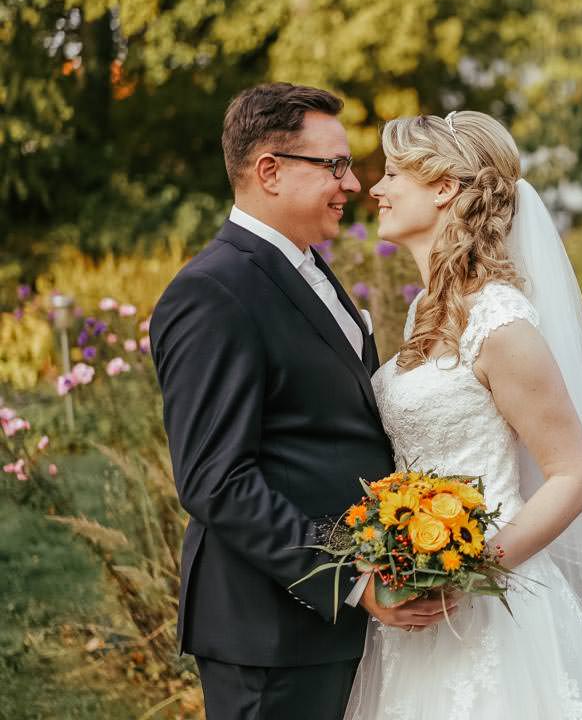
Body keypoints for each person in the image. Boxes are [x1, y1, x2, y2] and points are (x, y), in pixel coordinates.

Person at [150, 83, 458, 719]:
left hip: (328, 630)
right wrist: (352, 577)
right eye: (335, 165)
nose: (352, 184)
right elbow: (216, 480)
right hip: (271, 633)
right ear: (270, 170)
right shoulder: (214, 292)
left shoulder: (305, 269)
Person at [342, 111, 582, 718]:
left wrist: (469, 566)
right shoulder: (426, 312)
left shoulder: (499, 321)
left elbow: (575, 475)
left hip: (494, 605)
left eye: (394, 172)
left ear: (444, 188)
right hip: (420, 607)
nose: (375, 188)